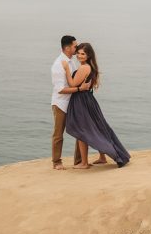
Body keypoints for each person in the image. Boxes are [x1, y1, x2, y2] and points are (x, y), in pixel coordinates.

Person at [62, 42, 131, 168]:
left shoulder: (84, 68)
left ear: (88, 55)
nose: (79, 56)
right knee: (99, 127)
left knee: (82, 130)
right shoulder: (90, 66)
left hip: (81, 101)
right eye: (78, 53)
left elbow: (72, 84)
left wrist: (66, 69)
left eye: (82, 54)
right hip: (88, 100)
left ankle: (84, 163)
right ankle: (103, 157)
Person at [50, 35, 90, 170]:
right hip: (61, 103)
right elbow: (60, 89)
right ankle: (56, 162)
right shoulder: (58, 64)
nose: (77, 48)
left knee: (80, 131)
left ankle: (79, 161)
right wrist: (79, 89)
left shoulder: (72, 61)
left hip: (73, 102)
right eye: (75, 46)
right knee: (58, 133)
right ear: (67, 48)